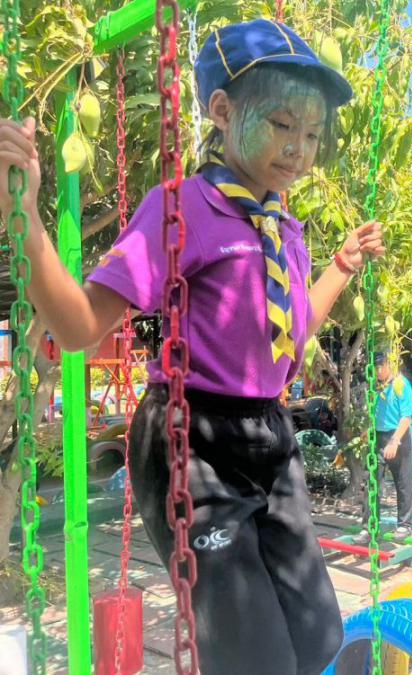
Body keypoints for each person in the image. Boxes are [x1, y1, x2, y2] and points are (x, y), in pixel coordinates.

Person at [0, 19, 385, 674]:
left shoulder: (286, 231)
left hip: (269, 435)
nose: (298, 149)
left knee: (321, 638)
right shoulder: (181, 208)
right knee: (255, 658)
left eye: (313, 134)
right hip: (191, 437)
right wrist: (26, 221)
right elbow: (80, 326)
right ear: (223, 110)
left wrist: (341, 266)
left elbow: (287, 341)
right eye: (282, 124)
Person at [354, 353, 412, 545]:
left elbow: (407, 416)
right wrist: (368, 430)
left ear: (389, 364)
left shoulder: (400, 384)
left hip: (398, 436)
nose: (377, 371)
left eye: (380, 367)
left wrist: (395, 441)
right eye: (374, 368)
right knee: (372, 482)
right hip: (378, 437)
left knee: (403, 481)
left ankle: (405, 524)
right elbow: (374, 412)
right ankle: (368, 527)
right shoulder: (375, 386)